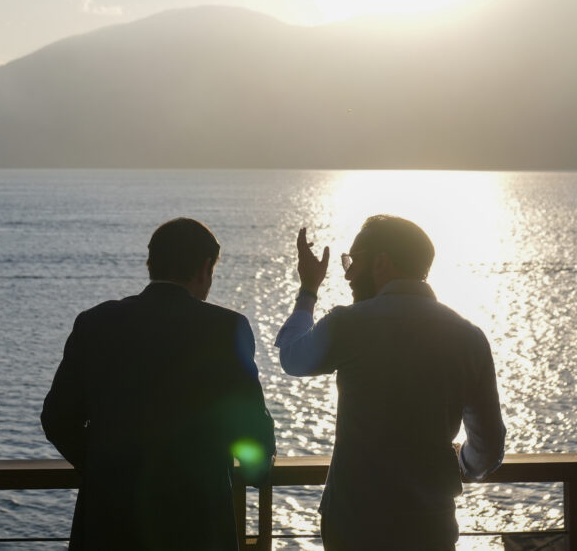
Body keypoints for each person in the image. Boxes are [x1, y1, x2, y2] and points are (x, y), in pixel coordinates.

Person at [42, 217, 275, 551]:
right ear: (205, 268)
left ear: (150, 264)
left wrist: (105, 468)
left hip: (108, 525)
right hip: (196, 528)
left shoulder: (95, 322)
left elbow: (57, 419)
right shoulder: (226, 329)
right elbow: (253, 439)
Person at [275, 216, 505, 551]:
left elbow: (293, 358)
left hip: (355, 524)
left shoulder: (349, 324)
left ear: (381, 262)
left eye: (352, 261)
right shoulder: (469, 337)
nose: (348, 274)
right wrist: (463, 462)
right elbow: (489, 448)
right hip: (430, 526)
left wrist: (309, 288)